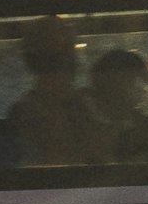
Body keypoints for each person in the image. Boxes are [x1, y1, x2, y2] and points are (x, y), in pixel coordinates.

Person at [12, 14, 99, 171]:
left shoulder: (85, 106)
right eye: (56, 57)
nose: (60, 66)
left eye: (66, 52)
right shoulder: (26, 113)